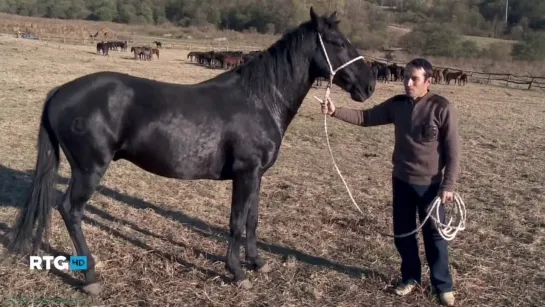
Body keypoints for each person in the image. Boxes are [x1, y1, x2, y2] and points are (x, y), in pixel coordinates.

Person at [321, 58, 460, 306]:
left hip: (431, 187)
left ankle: (442, 285)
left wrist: (448, 185)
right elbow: (366, 117)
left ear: (428, 81)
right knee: (403, 234)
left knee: (435, 237)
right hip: (402, 182)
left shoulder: (441, 107)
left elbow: (453, 151)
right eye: (405, 77)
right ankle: (410, 278)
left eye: (414, 79)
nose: (407, 82)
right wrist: (335, 111)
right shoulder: (397, 105)